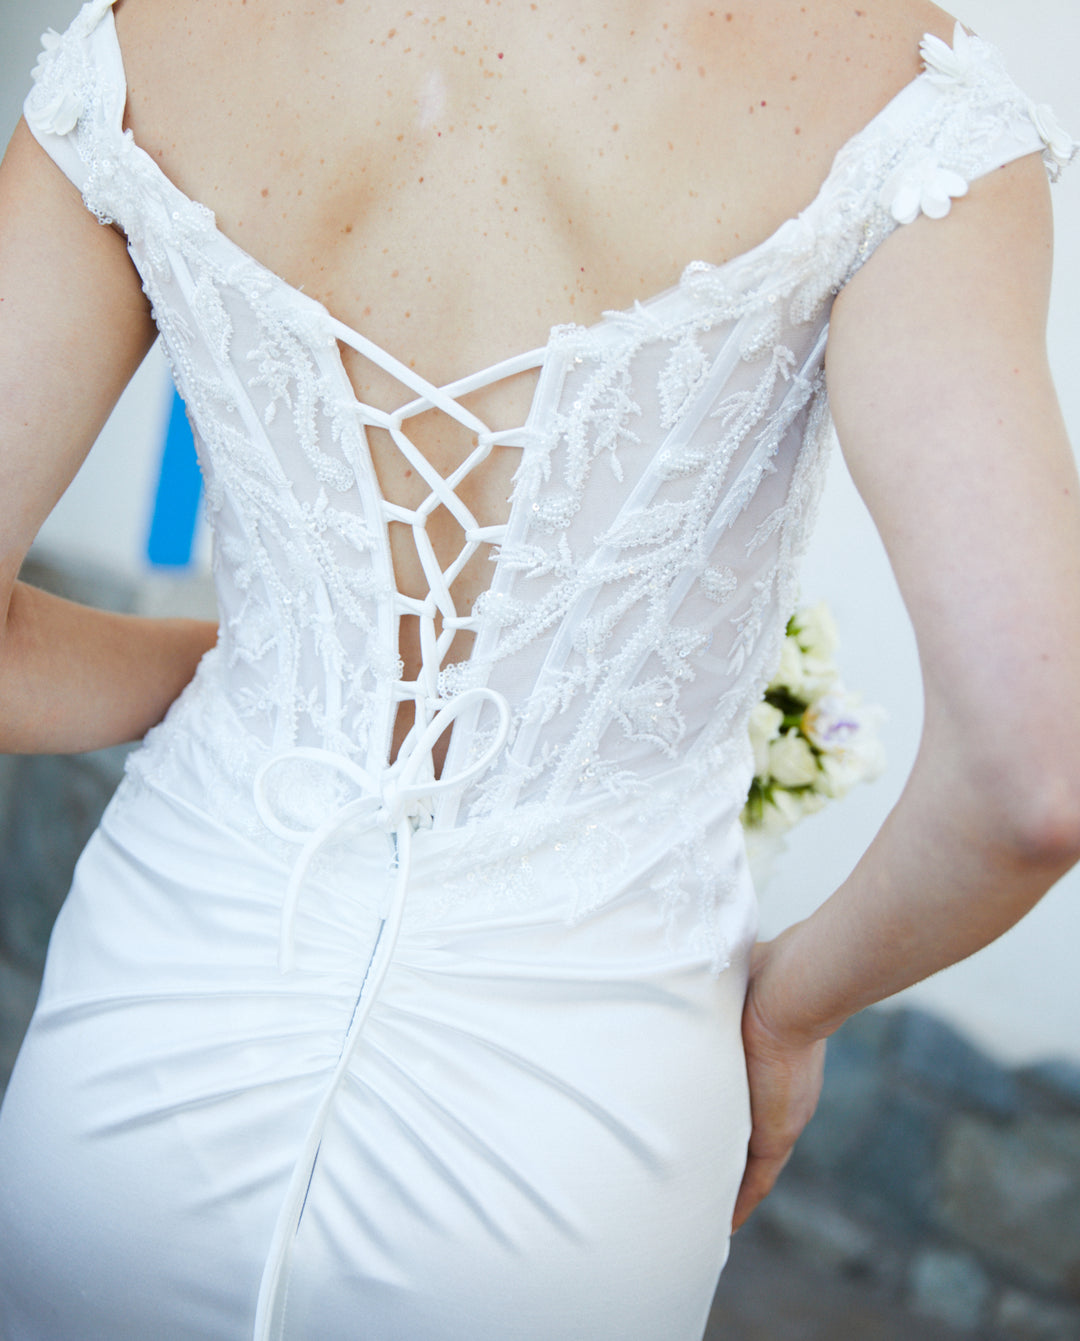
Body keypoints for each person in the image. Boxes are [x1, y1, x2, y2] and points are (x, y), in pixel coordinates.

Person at [0, 0, 1077, 1336]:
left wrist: (252, 677)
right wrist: (791, 1016)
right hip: (578, 1125)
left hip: (136, 1060)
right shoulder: (895, 90)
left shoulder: (157, 43)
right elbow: (1037, 777)